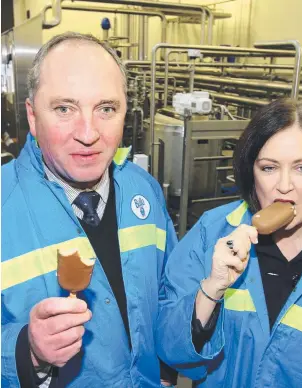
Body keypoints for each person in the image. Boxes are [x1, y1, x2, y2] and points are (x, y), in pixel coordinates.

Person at [1, 32, 178, 388]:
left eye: (106, 109)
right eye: (64, 109)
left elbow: (166, 295)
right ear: (33, 117)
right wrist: (26, 351)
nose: (88, 133)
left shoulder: (144, 190)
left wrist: (166, 371)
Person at [157, 98, 302, 387]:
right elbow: (169, 350)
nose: (284, 186)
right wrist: (212, 288)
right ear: (251, 170)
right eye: (269, 168)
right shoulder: (211, 232)